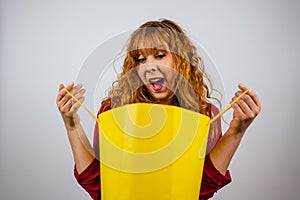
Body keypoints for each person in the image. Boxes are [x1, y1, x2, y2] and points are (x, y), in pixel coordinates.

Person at [56, 19, 261, 200]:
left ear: (181, 61)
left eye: (160, 55)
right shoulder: (114, 109)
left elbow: (200, 190)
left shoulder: (204, 113)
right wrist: (72, 125)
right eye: (141, 59)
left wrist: (237, 131)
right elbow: (100, 187)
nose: (148, 66)